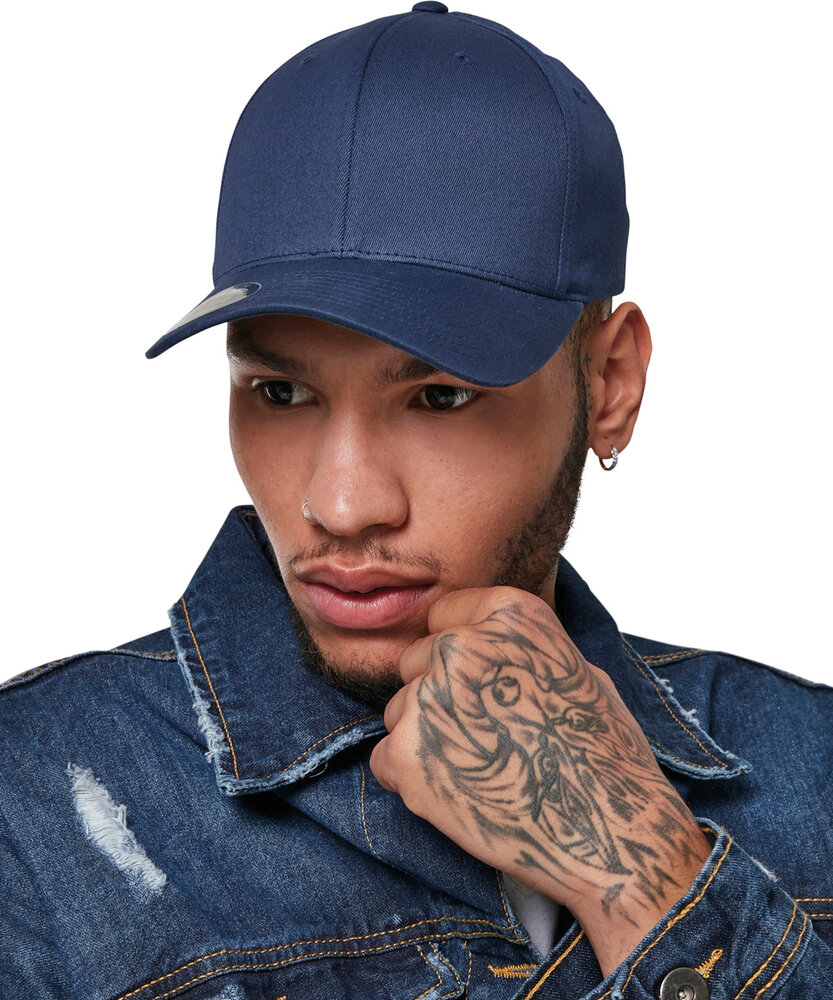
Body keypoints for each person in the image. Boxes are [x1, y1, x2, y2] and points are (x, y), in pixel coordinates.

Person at [1, 4, 830, 999]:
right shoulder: (30, 812)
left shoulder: (812, 766)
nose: (343, 505)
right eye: (281, 392)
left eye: (439, 396)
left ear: (608, 386)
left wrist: (642, 873)